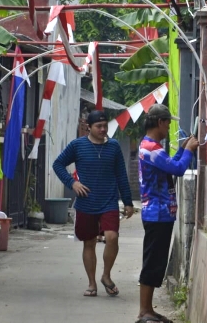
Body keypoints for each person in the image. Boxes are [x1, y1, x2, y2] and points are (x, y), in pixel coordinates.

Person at [52, 110, 134, 297]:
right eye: (99, 126)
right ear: (89, 127)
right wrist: (72, 183)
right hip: (86, 203)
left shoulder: (113, 147)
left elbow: (121, 175)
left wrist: (128, 202)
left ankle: (106, 275)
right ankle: (91, 284)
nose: (103, 129)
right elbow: (58, 164)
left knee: (112, 237)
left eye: (105, 125)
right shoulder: (77, 145)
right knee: (89, 243)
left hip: (109, 201)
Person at [136, 104, 199, 323]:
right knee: (153, 262)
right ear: (161, 123)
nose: (169, 127)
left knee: (156, 261)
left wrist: (183, 149)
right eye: (168, 123)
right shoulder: (152, 148)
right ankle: (144, 311)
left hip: (159, 213)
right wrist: (189, 150)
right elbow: (179, 169)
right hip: (157, 213)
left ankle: (148, 310)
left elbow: (171, 164)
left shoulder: (150, 146)